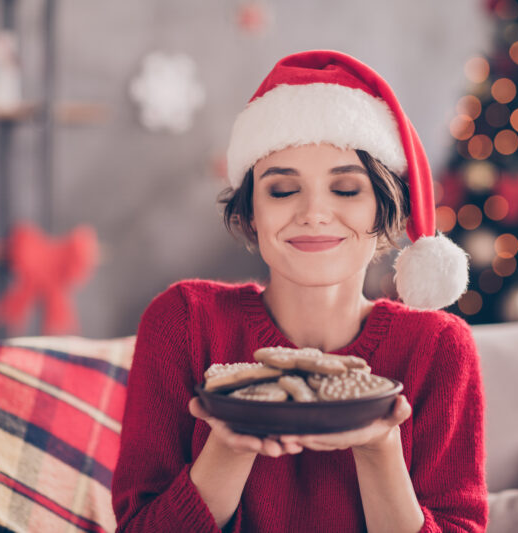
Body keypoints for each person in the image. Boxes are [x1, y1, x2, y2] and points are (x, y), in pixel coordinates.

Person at [111, 49, 488, 533]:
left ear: (383, 208)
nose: (313, 213)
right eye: (283, 190)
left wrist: (379, 448)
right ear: (251, 213)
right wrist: (228, 445)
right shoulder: (184, 321)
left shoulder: (438, 348)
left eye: (346, 189)